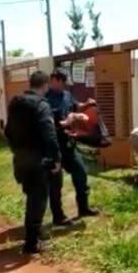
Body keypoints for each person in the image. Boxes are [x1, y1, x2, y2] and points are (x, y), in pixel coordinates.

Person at [4, 71, 61, 254]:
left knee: (32, 198)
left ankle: (34, 235)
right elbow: (49, 134)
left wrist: (16, 150)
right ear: (45, 86)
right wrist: (56, 158)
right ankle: (31, 243)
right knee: (38, 201)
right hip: (37, 161)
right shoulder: (41, 105)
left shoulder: (16, 104)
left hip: (20, 160)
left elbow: (7, 131)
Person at [45, 71, 99, 222]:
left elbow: (76, 107)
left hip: (68, 144)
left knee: (80, 173)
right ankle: (58, 216)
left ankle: (83, 208)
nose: (62, 85)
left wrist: (86, 105)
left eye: (64, 83)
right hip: (53, 145)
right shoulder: (45, 99)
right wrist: (65, 122)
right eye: (61, 82)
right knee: (56, 183)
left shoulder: (67, 95)